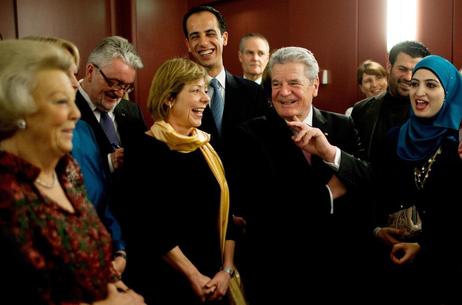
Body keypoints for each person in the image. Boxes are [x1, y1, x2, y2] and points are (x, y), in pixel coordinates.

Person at [0, 39, 144, 305]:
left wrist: (115, 280)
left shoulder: (68, 170)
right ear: (16, 108)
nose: (76, 113)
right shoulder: (7, 195)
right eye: (60, 101)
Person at [226, 46, 373, 305]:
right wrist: (328, 194)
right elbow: (263, 210)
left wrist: (330, 153)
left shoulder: (341, 125)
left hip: (340, 271)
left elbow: (370, 183)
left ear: (315, 85)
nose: (283, 92)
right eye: (277, 83)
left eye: (294, 83)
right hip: (279, 275)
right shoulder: (249, 133)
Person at [119, 57, 237, 305]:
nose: (206, 99)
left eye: (205, 91)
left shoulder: (205, 146)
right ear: (169, 98)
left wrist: (226, 270)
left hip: (216, 280)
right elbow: (148, 228)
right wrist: (193, 275)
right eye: (196, 91)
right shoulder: (143, 149)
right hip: (166, 286)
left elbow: (227, 212)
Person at [22, 35, 127, 275]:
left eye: (74, 73)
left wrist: (120, 251)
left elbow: (102, 201)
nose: (74, 82)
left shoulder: (84, 131)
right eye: (65, 74)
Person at [381, 55, 462, 304]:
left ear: (449, 92)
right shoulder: (395, 137)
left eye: (431, 85)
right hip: (393, 261)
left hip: (445, 271)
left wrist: (425, 248)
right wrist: (378, 230)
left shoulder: (457, 143)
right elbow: (379, 189)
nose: (419, 92)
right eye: (415, 83)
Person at [182, 5, 269, 154]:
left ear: (225, 38)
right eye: (195, 36)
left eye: (210, 34)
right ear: (188, 45)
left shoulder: (254, 92)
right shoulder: (180, 96)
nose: (203, 42)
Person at [76, 35, 146, 175]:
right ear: (90, 71)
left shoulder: (132, 111)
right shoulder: (66, 111)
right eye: (114, 83)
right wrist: (109, 162)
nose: (120, 93)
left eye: (126, 86)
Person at [351, 41, 430, 163]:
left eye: (415, 70)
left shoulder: (434, 111)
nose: (408, 77)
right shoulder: (361, 110)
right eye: (402, 69)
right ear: (389, 67)